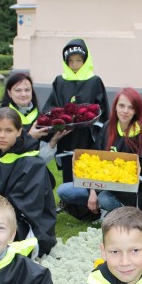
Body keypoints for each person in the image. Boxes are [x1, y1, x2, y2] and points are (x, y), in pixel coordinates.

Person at [0, 107, 57, 258]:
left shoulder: (31, 163)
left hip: (25, 222)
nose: (2, 135)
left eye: (8, 130)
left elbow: (15, 209)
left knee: (6, 228)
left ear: (19, 132)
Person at [57, 88, 142, 219]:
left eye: (131, 107)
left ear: (137, 109)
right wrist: (93, 190)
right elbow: (95, 161)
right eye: (121, 106)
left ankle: (124, 216)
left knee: (104, 198)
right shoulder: (109, 126)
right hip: (106, 185)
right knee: (64, 190)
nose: (125, 111)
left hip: (133, 193)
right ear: (115, 107)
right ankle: (104, 213)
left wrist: (109, 184)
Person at [43, 38, 109, 183]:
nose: (74, 65)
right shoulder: (60, 81)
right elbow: (51, 106)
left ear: (85, 60)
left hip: (87, 137)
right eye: (70, 61)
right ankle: (69, 196)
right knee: (69, 174)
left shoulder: (94, 81)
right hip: (66, 137)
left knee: (88, 175)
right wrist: (59, 119)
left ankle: (88, 196)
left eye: (78, 60)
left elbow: (102, 109)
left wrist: (93, 123)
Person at [0, 71, 67, 164]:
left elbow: (41, 160)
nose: (23, 94)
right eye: (18, 90)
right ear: (9, 93)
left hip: (30, 170)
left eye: (27, 90)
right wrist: (30, 137)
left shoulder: (40, 118)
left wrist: (53, 141)